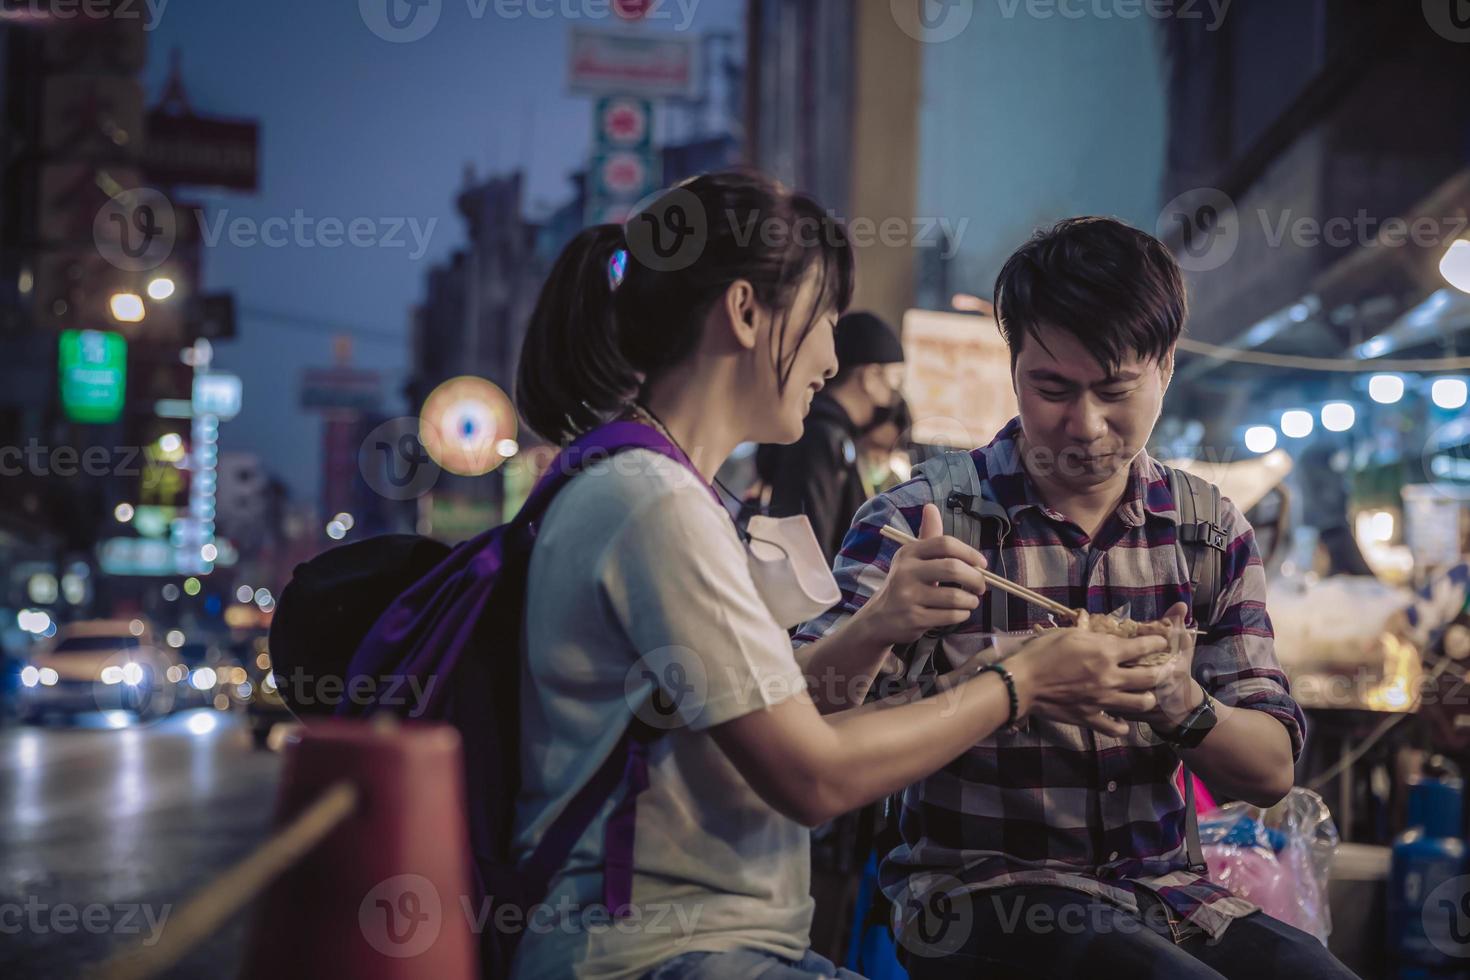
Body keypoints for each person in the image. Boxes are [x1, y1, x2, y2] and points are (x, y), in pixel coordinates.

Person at [508, 175, 1174, 980]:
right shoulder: (654, 506)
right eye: (824, 318)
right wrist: (1019, 681)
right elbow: (813, 776)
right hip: (652, 957)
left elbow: (772, 717)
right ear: (747, 312)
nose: (830, 356)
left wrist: (878, 626)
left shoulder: (660, 486)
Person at [795, 217, 1357, 979]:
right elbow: (797, 729)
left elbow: (1268, 772)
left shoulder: (1206, 533)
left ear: (1164, 365)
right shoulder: (922, 520)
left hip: (1167, 896)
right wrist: (879, 625)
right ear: (1015, 365)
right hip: (977, 897)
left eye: (1115, 390)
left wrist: (1178, 701)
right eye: (1051, 388)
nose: (1084, 425)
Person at [757, 311, 907, 564]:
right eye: (893, 380)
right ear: (870, 378)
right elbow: (808, 550)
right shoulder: (821, 437)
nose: (894, 394)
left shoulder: (831, 435)